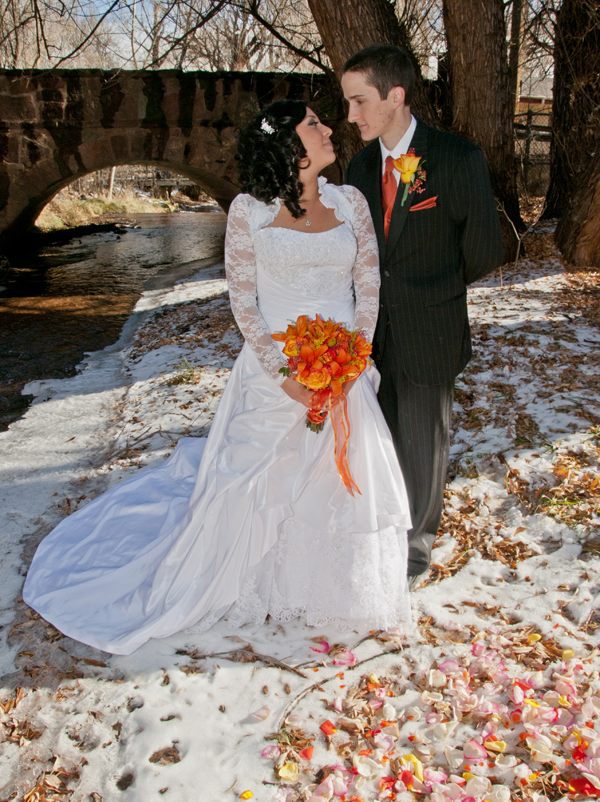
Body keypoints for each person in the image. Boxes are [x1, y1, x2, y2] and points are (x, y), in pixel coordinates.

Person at [23, 100, 412, 656]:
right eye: (313, 124)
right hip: (274, 371)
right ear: (288, 144)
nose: (328, 128)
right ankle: (247, 581)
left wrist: (352, 362)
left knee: (340, 479)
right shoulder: (248, 211)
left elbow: (368, 287)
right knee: (254, 482)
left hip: (345, 370)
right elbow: (244, 303)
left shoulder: (350, 201)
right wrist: (285, 377)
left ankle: (326, 590)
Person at [341, 44, 505, 590]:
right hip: (373, 335)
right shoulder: (360, 167)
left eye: (359, 101)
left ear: (395, 96)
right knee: (380, 441)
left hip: (430, 328)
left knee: (422, 446)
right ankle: (381, 532)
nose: (351, 115)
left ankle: (414, 554)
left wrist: (433, 290)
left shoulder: (458, 159)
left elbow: (484, 249)